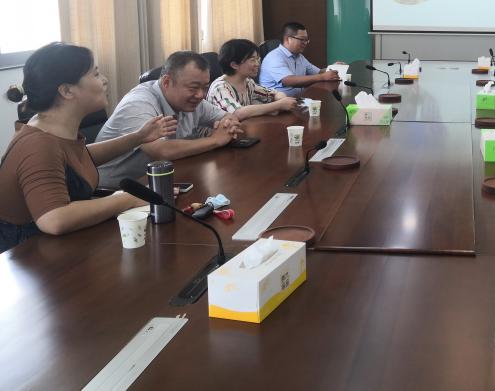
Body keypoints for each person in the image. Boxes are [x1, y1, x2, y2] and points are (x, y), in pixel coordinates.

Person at [0, 43, 177, 253]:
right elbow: (54, 219)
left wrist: (138, 137)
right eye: (96, 74)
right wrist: (126, 199)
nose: (105, 80)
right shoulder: (39, 144)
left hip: (57, 246)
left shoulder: (49, 127)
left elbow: (77, 158)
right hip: (27, 254)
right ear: (67, 90)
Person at [96, 51, 244, 187]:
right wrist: (214, 140)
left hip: (164, 181)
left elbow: (227, 116)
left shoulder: (193, 101)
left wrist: (228, 124)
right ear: (166, 82)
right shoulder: (138, 103)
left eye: (205, 87)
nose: (200, 95)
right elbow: (160, 151)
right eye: (193, 88)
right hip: (114, 192)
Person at [207, 39, 299, 116]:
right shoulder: (220, 88)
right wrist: (278, 105)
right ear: (234, 65)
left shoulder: (248, 82)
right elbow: (237, 113)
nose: (257, 64)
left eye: (257, 59)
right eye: (252, 60)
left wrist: (283, 101)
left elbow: (274, 94)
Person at [259, 22, 340, 96]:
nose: (305, 43)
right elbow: (288, 80)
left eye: (306, 40)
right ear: (288, 39)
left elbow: (319, 72)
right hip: (276, 103)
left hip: (298, 99)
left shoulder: (299, 56)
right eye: (302, 39)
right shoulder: (274, 57)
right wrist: (322, 77)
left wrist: (334, 67)